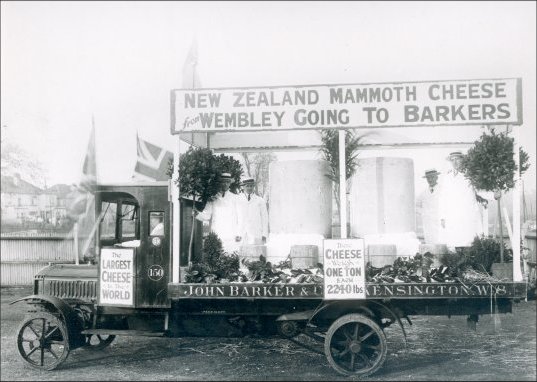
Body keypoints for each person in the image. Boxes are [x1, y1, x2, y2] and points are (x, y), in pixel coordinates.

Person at [438, 151, 486, 250]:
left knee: (469, 241)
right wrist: (442, 216)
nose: (455, 162)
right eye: (452, 160)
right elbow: (443, 197)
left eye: (457, 159)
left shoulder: (470, 175)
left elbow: (481, 190)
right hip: (453, 216)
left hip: (467, 214)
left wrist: (494, 194)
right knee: (455, 242)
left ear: (462, 160)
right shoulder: (447, 178)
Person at [195, 172, 241, 253]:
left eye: (227, 182)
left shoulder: (235, 198)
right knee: (217, 255)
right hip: (217, 231)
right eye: (223, 181)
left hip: (231, 233)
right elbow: (207, 215)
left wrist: (238, 233)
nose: (225, 184)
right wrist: (196, 214)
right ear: (220, 183)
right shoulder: (213, 198)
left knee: (231, 255)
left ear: (230, 183)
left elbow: (240, 217)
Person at [237, 177, 269, 245]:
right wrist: (237, 233)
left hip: (256, 233)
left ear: (253, 186)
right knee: (241, 253)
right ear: (243, 187)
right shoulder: (238, 200)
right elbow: (235, 217)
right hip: (242, 234)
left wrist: (264, 234)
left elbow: (265, 219)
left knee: (256, 253)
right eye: (247, 186)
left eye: (251, 186)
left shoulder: (260, 201)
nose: (249, 188)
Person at [418, 169, 442, 244]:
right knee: (430, 241)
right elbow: (417, 206)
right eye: (428, 178)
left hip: (440, 221)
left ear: (436, 177)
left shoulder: (443, 190)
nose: (430, 180)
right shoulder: (423, 193)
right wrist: (424, 213)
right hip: (428, 222)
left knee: (441, 240)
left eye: (432, 177)